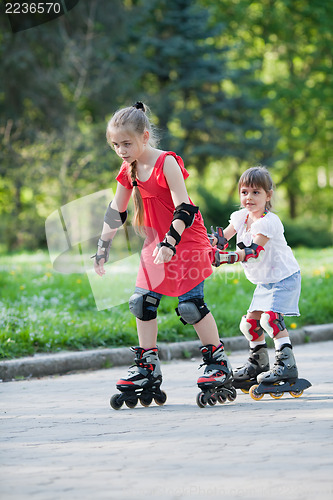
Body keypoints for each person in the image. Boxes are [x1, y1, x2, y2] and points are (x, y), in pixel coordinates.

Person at [93, 101, 233, 407]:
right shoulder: (128, 168)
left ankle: (217, 362)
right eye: (115, 145)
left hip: (187, 240)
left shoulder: (167, 162)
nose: (121, 150)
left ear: (145, 136)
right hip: (156, 243)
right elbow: (116, 211)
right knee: (141, 302)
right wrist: (102, 248)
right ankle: (147, 366)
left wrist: (170, 243)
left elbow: (185, 207)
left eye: (126, 143)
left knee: (190, 306)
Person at [210, 166, 301, 391]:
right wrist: (208, 244)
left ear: (268, 195)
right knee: (249, 324)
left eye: (256, 192)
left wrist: (226, 257)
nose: (249, 197)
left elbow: (253, 250)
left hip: (284, 277)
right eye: (244, 192)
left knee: (269, 319)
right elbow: (223, 237)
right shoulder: (241, 217)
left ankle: (287, 365)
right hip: (265, 280)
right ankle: (258, 365)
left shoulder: (269, 222)